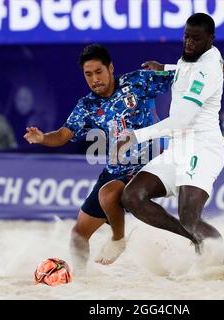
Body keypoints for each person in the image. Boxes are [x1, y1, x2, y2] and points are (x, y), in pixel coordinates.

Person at [23, 44, 177, 269]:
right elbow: (63, 135)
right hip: (115, 170)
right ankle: (80, 279)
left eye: (98, 72)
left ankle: (118, 239)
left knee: (108, 193)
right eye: (88, 74)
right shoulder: (86, 106)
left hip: (149, 165)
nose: (94, 79)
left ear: (110, 68)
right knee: (78, 234)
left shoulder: (138, 82)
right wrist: (43, 138)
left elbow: (182, 76)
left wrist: (213, 68)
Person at [119, 13, 224, 259]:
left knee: (190, 216)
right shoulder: (195, 57)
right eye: (186, 37)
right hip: (178, 148)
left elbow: (180, 121)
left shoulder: (207, 71)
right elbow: (185, 70)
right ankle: (197, 239)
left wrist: (136, 136)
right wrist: (165, 68)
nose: (189, 43)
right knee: (132, 197)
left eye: (196, 39)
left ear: (211, 39)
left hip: (202, 149)